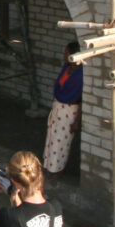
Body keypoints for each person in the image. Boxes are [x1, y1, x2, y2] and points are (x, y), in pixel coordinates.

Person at [43, 42, 82, 175]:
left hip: (69, 112)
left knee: (61, 142)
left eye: (66, 53)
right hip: (58, 108)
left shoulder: (80, 75)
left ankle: (57, 170)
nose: (64, 55)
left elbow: (82, 100)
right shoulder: (66, 68)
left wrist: (77, 121)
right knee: (52, 138)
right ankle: (49, 166)